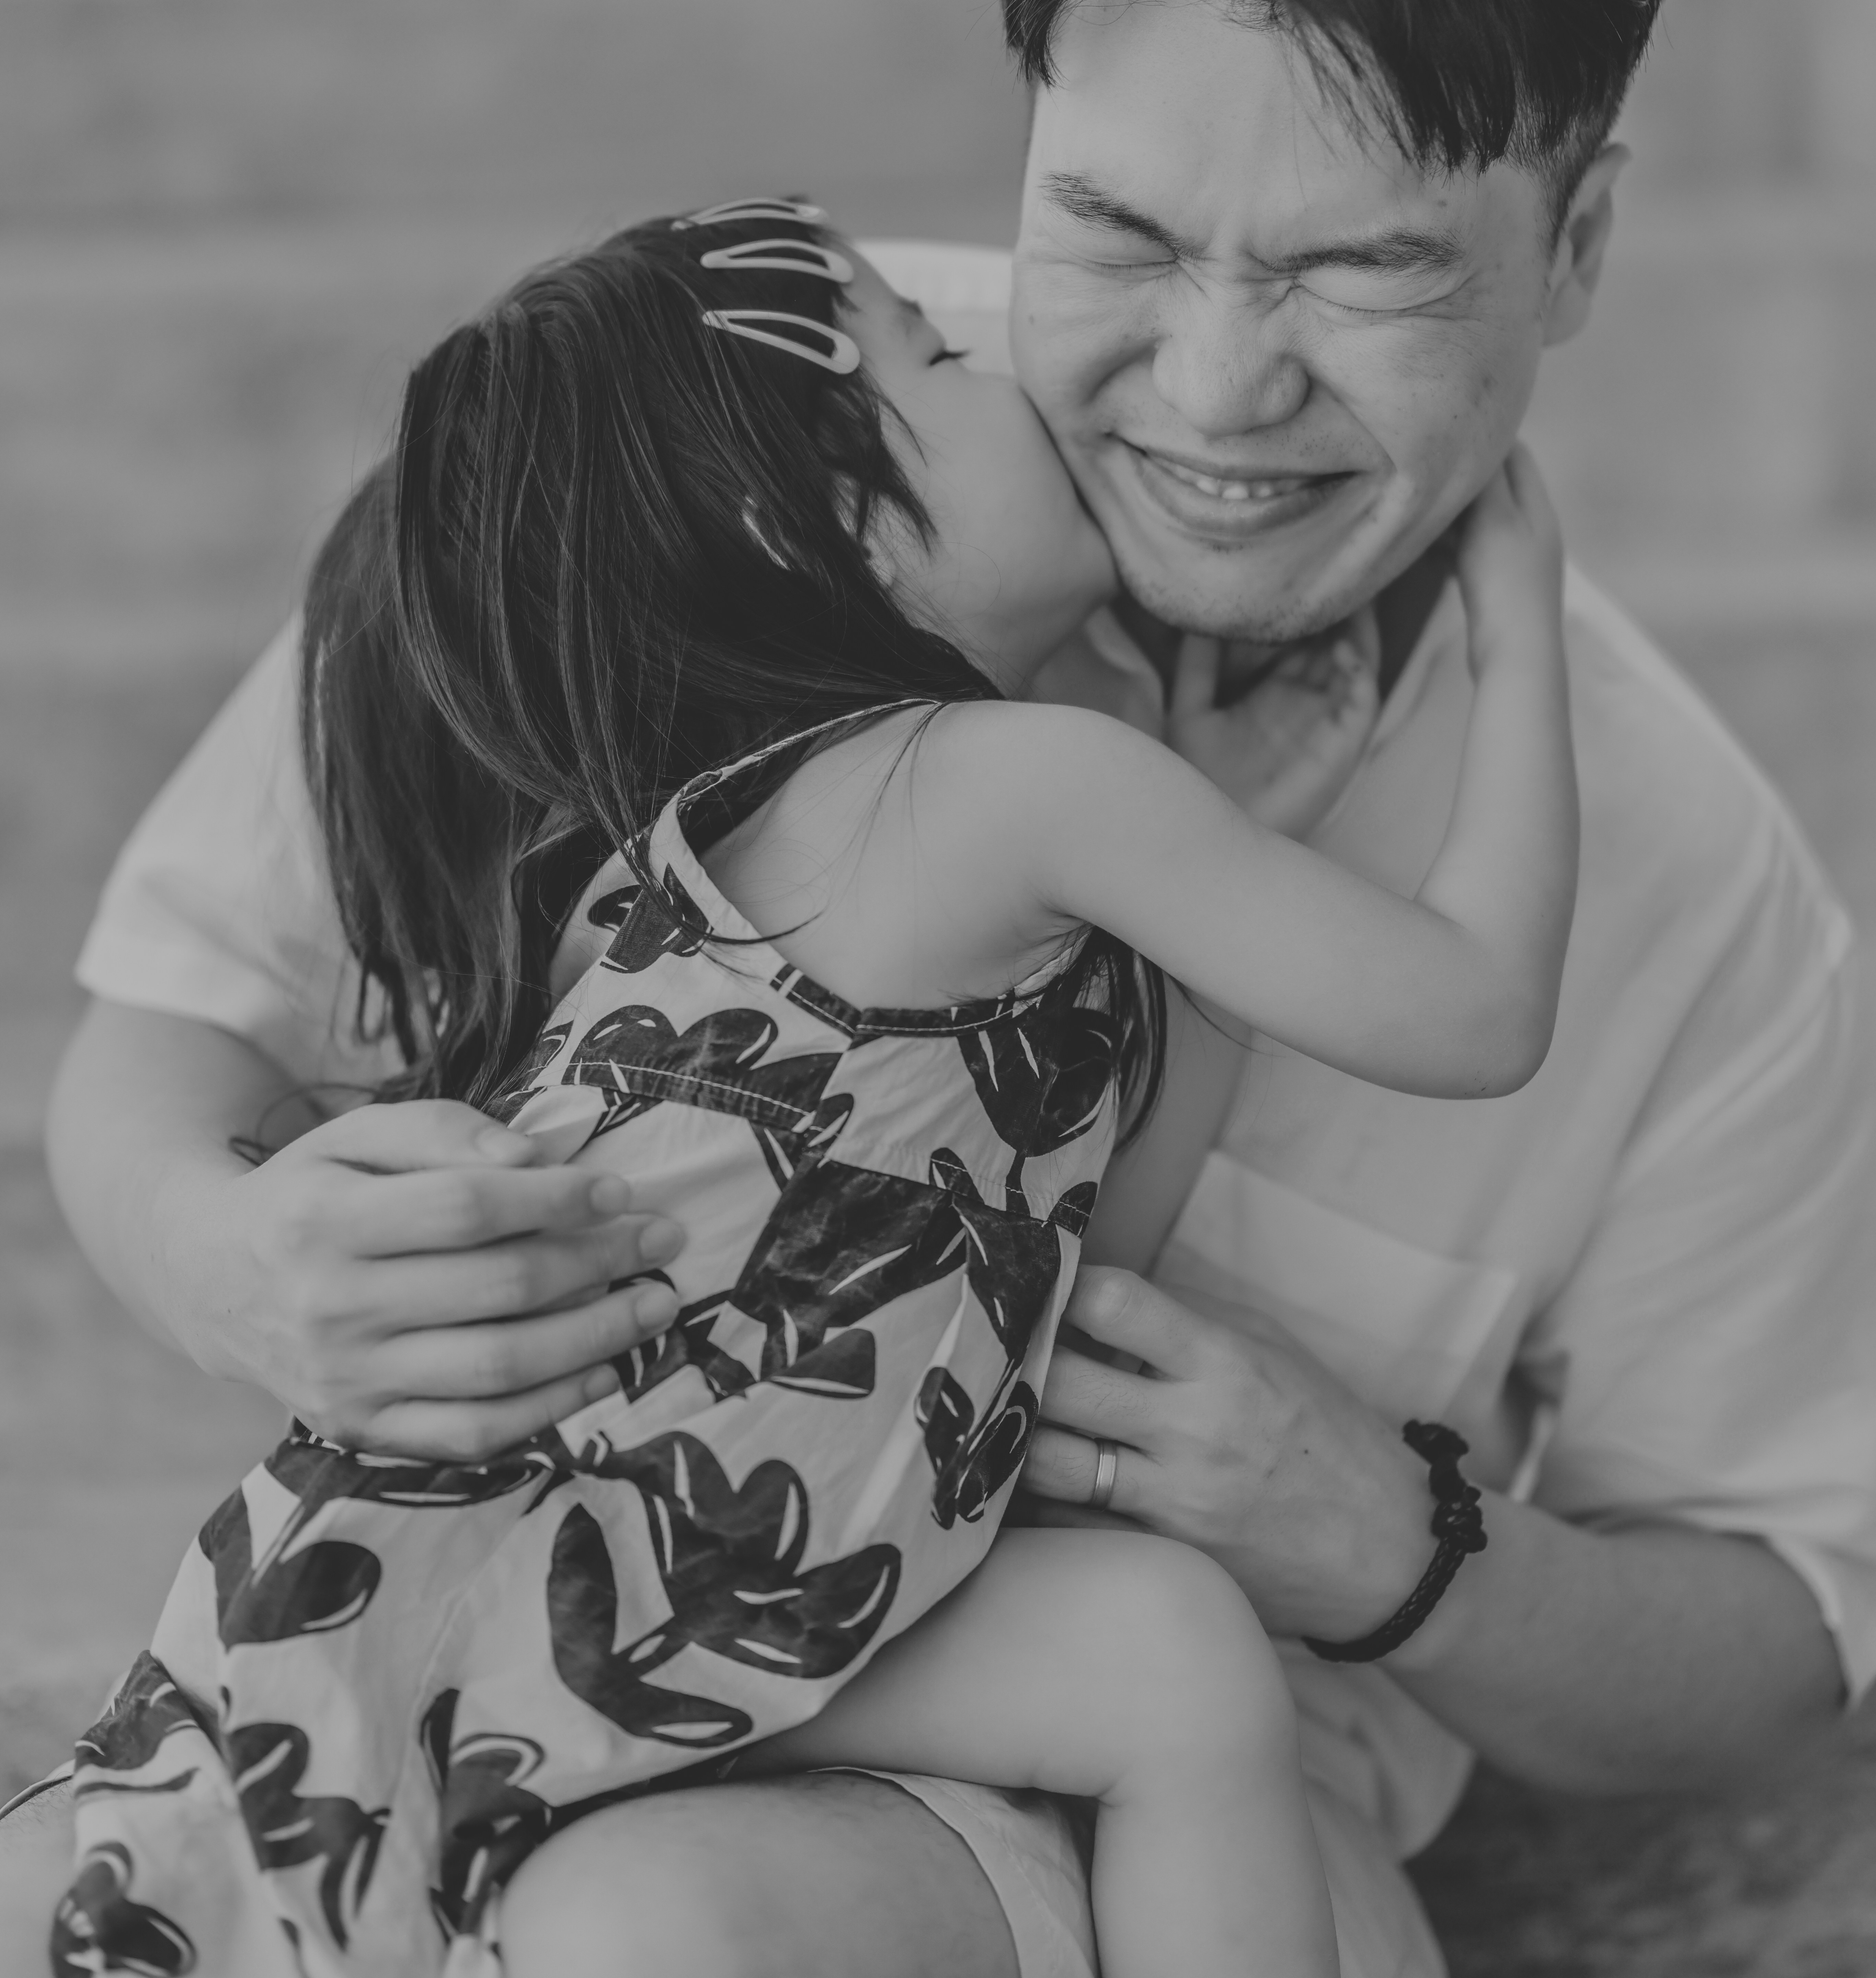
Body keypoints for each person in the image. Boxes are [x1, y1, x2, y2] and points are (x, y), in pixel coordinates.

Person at [11, 0, 1874, 1978]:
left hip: (1095, 1791)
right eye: (1113, 233)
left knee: (651, 1922)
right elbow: (158, 1048)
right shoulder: (719, 479)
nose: (1210, 385)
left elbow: (1784, 1643)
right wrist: (242, 1262)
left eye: (1359, 267)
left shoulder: (1683, 883)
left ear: (1572, 252)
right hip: (581, 1589)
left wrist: (1384, 1536)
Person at [48, 204, 1575, 1976]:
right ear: (820, 524)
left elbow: (1046, 1276)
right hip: (608, 1597)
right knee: (1167, 1658)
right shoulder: (1020, 786)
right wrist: (1514, 631)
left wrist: (1209, 898)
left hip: (523, 1592)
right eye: (934, 365)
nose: (994, 366)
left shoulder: (684, 858)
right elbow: (1472, 1011)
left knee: (1155, 1649)